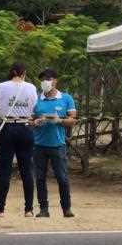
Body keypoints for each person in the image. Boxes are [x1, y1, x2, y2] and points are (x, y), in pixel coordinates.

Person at [0, 62, 39, 218]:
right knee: (27, 171)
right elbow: (35, 108)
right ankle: (29, 209)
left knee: (4, 172)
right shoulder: (31, 87)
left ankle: (0, 210)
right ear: (23, 73)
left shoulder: (0, 86)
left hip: (7, 129)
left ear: (11, 72)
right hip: (25, 129)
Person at [31, 68, 77, 218]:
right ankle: (43, 209)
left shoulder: (66, 98)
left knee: (62, 178)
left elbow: (73, 120)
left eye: (48, 78)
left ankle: (66, 208)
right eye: (43, 79)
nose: (45, 82)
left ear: (55, 80)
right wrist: (35, 122)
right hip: (39, 145)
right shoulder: (36, 99)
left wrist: (60, 120)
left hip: (58, 145)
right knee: (40, 178)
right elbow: (29, 120)